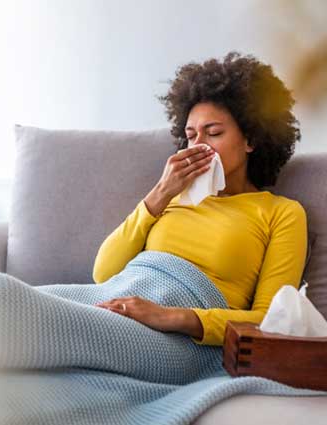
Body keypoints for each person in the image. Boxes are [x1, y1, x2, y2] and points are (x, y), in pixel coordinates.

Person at [94, 52, 308, 346]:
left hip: (174, 339)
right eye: (191, 135)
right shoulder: (171, 196)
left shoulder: (281, 213)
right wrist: (161, 192)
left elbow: (272, 320)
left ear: (251, 139)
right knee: (7, 294)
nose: (199, 146)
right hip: (110, 305)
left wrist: (171, 317)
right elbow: (103, 274)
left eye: (214, 132)